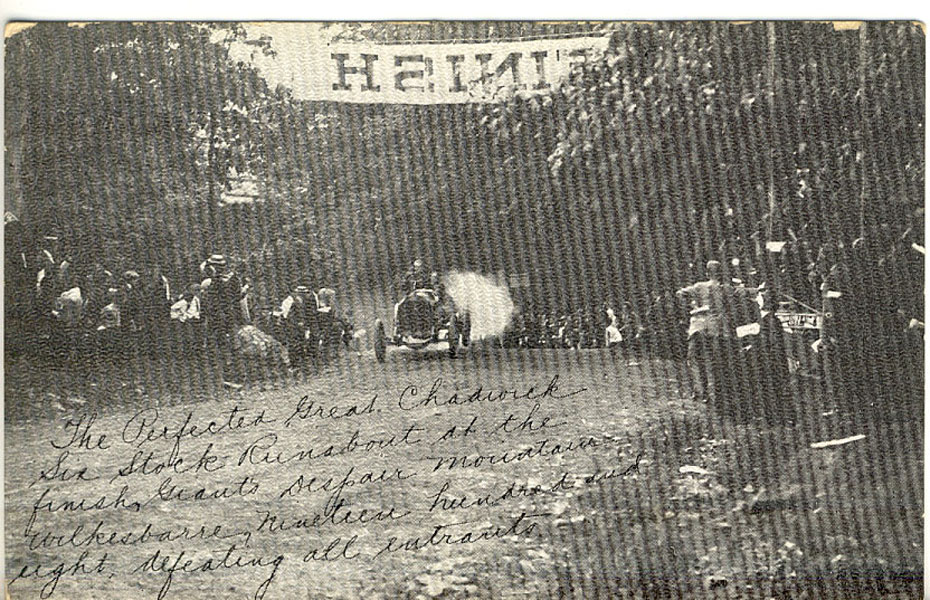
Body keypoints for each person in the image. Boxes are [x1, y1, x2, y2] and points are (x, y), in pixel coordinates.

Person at [676, 260, 733, 403]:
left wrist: (693, 304)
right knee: (717, 362)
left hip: (699, 327)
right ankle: (717, 394)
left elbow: (680, 293)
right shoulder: (726, 288)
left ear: (707, 273)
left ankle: (701, 391)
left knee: (695, 359)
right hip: (717, 329)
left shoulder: (699, 286)